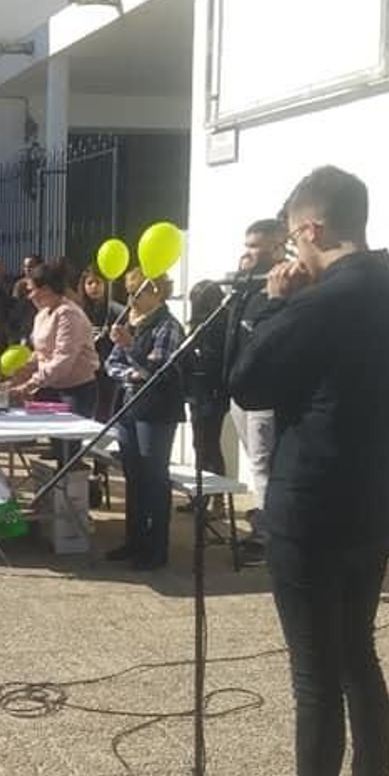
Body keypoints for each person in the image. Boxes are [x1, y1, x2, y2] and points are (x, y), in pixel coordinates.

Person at [218, 166, 389, 776]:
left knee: (316, 675)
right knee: (357, 661)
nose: (293, 252)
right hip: (374, 500)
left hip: (311, 504)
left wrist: (271, 305)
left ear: (312, 228)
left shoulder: (318, 303)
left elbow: (246, 383)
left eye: (294, 238)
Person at [104, 272, 184, 570]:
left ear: (156, 292)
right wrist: (131, 374)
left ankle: (156, 547)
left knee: (154, 476)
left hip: (156, 411)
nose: (131, 300)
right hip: (129, 408)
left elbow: (156, 371)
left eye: (138, 293)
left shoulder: (167, 326)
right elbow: (111, 364)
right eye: (129, 293)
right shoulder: (134, 324)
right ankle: (134, 540)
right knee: (133, 475)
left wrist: (130, 348)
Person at [228, 217, 287, 553]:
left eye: (254, 247)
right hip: (241, 389)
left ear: (277, 248)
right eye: (246, 246)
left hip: (267, 395)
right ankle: (268, 521)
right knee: (256, 460)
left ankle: (266, 537)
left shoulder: (286, 287)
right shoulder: (247, 288)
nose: (247, 253)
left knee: (264, 464)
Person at [10, 263, 99, 418]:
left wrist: (29, 385)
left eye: (31, 290)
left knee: (69, 433)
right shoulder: (41, 315)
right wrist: (18, 374)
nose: (29, 296)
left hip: (75, 391)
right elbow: (41, 353)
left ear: (46, 290)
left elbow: (63, 360)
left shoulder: (69, 314)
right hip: (48, 388)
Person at [184, 280, 230, 477]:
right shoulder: (200, 325)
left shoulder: (220, 324)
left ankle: (214, 490)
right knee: (201, 443)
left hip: (211, 391)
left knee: (208, 443)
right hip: (199, 390)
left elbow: (214, 358)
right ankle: (203, 489)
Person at [79, 265, 126, 422]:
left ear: (105, 285)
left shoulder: (117, 311)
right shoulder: (77, 311)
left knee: (104, 415)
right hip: (83, 372)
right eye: (89, 283)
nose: (94, 287)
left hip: (107, 372)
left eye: (98, 282)